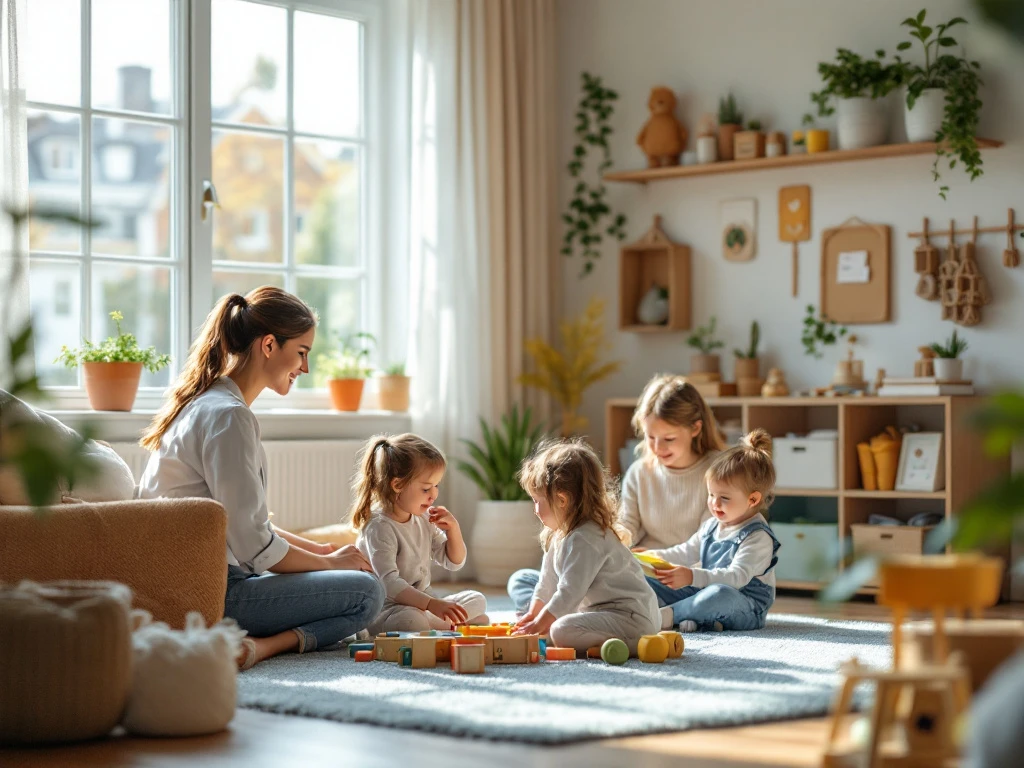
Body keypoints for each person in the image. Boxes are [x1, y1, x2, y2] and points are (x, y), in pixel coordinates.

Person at [139, 287, 385, 669]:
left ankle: (269, 638)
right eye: (301, 352)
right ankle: (264, 646)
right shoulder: (228, 416)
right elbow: (253, 546)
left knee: (354, 588)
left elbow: (244, 525)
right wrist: (328, 564)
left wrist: (323, 552)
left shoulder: (207, 404)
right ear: (269, 345)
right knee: (367, 594)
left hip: (189, 579)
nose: (305, 368)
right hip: (211, 592)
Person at [506, 374, 723, 612]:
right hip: (638, 572)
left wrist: (655, 558)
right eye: (651, 437)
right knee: (522, 580)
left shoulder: (719, 473)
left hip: (683, 578)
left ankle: (579, 610)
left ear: (695, 428)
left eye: (668, 439)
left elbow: (707, 545)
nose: (658, 447)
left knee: (717, 595)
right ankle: (580, 611)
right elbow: (623, 528)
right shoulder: (640, 472)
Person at [511, 439, 660, 656]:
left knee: (559, 630)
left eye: (536, 500)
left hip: (630, 617)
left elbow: (569, 592)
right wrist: (533, 617)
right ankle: (599, 643)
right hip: (602, 615)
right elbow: (547, 583)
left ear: (561, 500)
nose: (534, 509)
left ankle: (632, 645)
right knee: (552, 624)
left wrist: (540, 625)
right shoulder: (559, 535)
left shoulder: (585, 538)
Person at [645, 428, 781, 633]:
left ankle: (666, 616)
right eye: (711, 494)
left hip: (745, 606)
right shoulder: (712, 525)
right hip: (704, 590)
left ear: (753, 499)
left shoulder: (758, 537)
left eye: (724, 498)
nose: (714, 504)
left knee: (718, 594)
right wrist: (649, 557)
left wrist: (692, 576)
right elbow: (685, 552)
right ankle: (693, 616)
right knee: (648, 578)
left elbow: (736, 578)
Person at [352, 433, 487, 633]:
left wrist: (453, 530)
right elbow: (389, 584)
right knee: (412, 620)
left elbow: (453, 562)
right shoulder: (379, 527)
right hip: (388, 609)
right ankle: (445, 626)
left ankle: (440, 626)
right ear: (397, 485)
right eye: (426, 489)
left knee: (478, 600)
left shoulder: (423, 518)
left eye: (436, 486)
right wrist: (432, 604)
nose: (434, 494)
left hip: (424, 605)